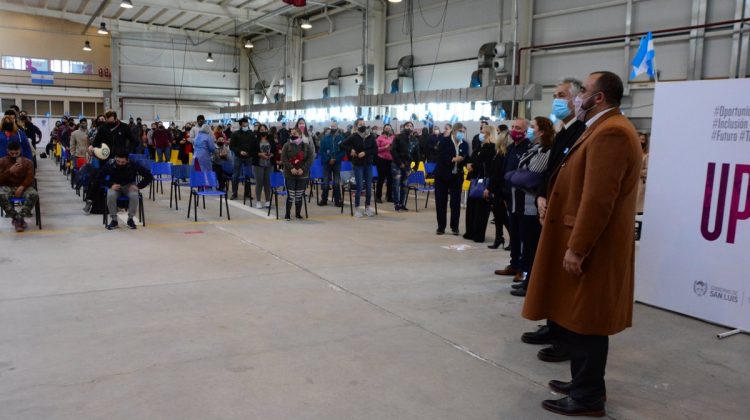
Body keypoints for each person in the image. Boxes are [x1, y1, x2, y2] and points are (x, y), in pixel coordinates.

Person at [522, 71, 642, 417]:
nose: (577, 98)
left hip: (594, 248)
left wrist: (578, 246)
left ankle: (587, 396)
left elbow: (598, 199)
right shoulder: (601, 129)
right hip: (587, 241)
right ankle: (584, 384)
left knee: (588, 322)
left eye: (583, 92)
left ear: (599, 97)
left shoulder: (613, 134)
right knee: (579, 318)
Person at [521, 78, 587, 362]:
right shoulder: (562, 131)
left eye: (561, 95)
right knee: (549, 271)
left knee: (562, 278)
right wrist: (540, 196)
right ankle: (552, 325)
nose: (557, 99)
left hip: (566, 214)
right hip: (549, 209)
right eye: (555, 94)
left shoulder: (581, 132)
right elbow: (549, 171)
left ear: (576, 99)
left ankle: (564, 337)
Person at [509, 116, 554, 297]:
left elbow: (531, 173)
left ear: (541, 131)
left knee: (532, 244)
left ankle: (531, 283)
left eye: (532, 127)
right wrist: (518, 174)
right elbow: (521, 170)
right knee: (525, 243)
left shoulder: (546, 150)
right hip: (521, 201)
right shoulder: (535, 148)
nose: (530, 130)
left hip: (532, 204)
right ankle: (527, 280)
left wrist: (517, 175)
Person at [494, 118, 532, 281]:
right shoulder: (510, 148)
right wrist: (503, 194)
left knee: (523, 234)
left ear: (526, 130)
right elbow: (504, 172)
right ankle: (513, 264)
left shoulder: (529, 148)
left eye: (518, 127)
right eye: (513, 127)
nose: (514, 130)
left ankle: (523, 269)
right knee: (514, 233)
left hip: (523, 199)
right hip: (509, 197)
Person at [100, 150, 153, 230]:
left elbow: (149, 176)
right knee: (110, 195)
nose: (120, 164)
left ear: (127, 160)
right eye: (118, 161)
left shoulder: (133, 164)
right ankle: (114, 220)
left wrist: (138, 186)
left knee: (134, 195)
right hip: (115, 186)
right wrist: (110, 185)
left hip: (129, 186)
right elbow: (99, 177)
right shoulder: (110, 164)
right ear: (115, 158)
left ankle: (130, 219)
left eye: (123, 162)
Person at [463, 122, 497, 242]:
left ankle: (478, 234)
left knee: (481, 209)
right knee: (472, 207)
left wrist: (473, 165)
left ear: (489, 135)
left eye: (483, 133)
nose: (480, 135)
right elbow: (473, 159)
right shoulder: (479, 147)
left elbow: (487, 165)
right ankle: (470, 231)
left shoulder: (492, 148)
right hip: (475, 179)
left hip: (484, 181)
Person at [434, 123, 469, 235]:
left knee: (455, 202)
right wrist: (453, 159)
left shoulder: (465, 145)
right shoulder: (444, 141)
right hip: (442, 175)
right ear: (454, 131)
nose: (461, 134)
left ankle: (455, 227)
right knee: (441, 202)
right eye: (460, 131)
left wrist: (463, 161)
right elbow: (439, 156)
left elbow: (466, 158)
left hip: (456, 176)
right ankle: (441, 227)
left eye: (463, 132)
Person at [341, 118, 377, 217]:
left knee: (369, 187)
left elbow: (375, 149)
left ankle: (367, 208)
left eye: (363, 124)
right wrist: (351, 149)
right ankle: (357, 208)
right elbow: (342, 145)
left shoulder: (370, 136)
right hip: (358, 165)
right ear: (356, 126)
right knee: (359, 187)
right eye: (360, 124)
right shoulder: (354, 136)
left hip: (368, 164)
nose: (362, 125)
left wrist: (365, 152)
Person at [0, 140, 38, 232]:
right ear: (7, 151)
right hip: (7, 186)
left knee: (33, 194)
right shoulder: (2, 161)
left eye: (16, 153)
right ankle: (17, 218)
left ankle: (20, 218)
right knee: (1, 195)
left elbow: (30, 178)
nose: (14, 155)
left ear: (20, 150)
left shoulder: (28, 162)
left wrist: (22, 187)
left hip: (23, 187)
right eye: (11, 153)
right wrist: (10, 171)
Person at [280, 128, 314, 220]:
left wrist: (302, 169)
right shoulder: (286, 145)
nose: (292, 135)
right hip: (290, 174)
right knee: (290, 195)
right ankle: (287, 214)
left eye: (294, 133)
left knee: (299, 195)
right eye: (291, 133)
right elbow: (284, 159)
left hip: (302, 175)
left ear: (299, 135)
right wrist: (291, 168)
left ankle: (298, 214)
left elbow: (310, 159)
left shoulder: (306, 146)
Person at [485, 127, 508, 249]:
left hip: (499, 189)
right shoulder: (498, 153)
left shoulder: (502, 155)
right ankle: (499, 237)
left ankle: (512, 238)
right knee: (498, 216)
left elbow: (497, 175)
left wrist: (489, 188)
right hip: (496, 188)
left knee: (503, 216)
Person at [318, 123, 345, 207]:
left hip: (337, 163)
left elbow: (343, 151)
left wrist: (335, 159)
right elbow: (321, 151)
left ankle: (338, 200)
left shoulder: (341, 138)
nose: (333, 128)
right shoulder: (325, 138)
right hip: (327, 163)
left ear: (337, 127)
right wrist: (328, 159)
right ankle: (324, 199)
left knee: (336, 182)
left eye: (335, 126)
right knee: (325, 181)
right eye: (332, 126)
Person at [389, 121, 414, 211]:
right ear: (404, 127)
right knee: (396, 184)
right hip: (397, 164)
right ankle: (396, 203)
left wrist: (414, 164)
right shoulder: (398, 137)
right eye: (407, 126)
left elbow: (415, 152)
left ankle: (402, 203)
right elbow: (392, 151)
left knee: (404, 185)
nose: (409, 127)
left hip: (407, 165)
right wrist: (400, 163)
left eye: (411, 126)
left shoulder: (413, 139)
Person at [229, 117, 255, 201]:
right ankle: (234, 193)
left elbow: (254, 145)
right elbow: (231, 146)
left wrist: (250, 153)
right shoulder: (235, 134)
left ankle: (247, 193)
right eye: (244, 124)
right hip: (238, 157)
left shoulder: (251, 133)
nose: (246, 125)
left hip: (248, 157)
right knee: (236, 175)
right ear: (240, 125)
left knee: (248, 175)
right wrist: (239, 151)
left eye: (247, 123)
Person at [250, 130, 275, 209]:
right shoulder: (255, 140)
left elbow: (275, 150)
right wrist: (259, 154)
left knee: (268, 183)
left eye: (264, 129)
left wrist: (271, 154)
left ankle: (268, 201)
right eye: (261, 129)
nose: (263, 130)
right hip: (258, 164)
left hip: (269, 164)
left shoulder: (270, 140)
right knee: (259, 183)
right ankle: (258, 201)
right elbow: (251, 152)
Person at [375, 124, 394, 204]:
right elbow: (376, 149)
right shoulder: (379, 138)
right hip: (381, 159)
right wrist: (385, 147)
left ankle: (389, 196)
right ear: (383, 129)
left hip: (391, 160)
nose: (388, 129)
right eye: (386, 128)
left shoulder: (393, 137)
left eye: (389, 128)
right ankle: (378, 197)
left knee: (390, 179)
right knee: (381, 178)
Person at [636, 132, 649, 214]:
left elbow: (647, 171)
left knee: (637, 210)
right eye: (640, 139)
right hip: (631, 184)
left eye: (643, 139)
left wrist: (637, 172)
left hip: (640, 185)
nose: (641, 141)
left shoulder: (646, 156)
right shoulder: (634, 153)